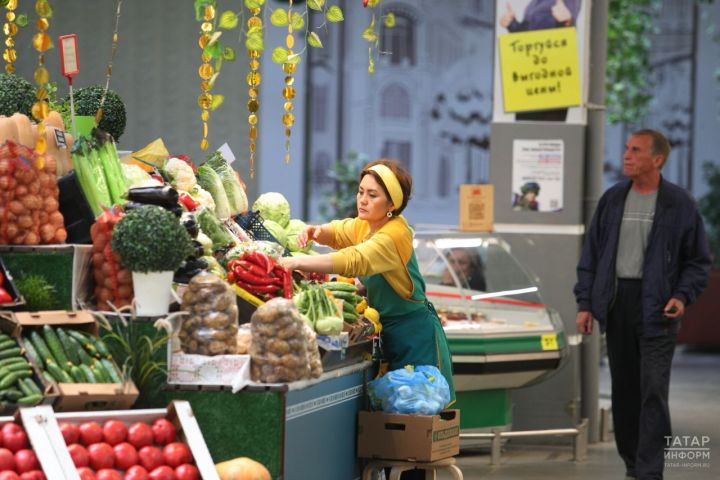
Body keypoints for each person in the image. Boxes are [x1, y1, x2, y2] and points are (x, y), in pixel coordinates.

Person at [279, 159, 455, 480]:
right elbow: (340, 232)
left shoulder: (395, 234)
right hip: (391, 334)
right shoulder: (367, 225)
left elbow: (357, 258)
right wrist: (315, 231)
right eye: (361, 192)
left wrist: (299, 262)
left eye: (372, 195)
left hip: (416, 339)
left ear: (391, 203)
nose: (362, 200)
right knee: (393, 436)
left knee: (412, 437)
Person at [574, 129, 711, 480]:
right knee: (624, 391)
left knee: (653, 390)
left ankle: (650, 470)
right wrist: (586, 303)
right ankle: (633, 464)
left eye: (635, 150)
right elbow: (591, 255)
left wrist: (681, 297)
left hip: (658, 309)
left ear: (657, 159)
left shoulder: (680, 204)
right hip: (618, 304)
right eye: (627, 149)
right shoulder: (613, 199)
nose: (627, 156)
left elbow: (698, 261)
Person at [498, 0, 582, 122]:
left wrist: (567, 22)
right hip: (531, 81)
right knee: (524, 134)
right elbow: (530, 38)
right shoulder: (535, 3)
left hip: (551, 82)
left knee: (545, 134)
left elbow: (567, 22)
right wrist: (513, 25)